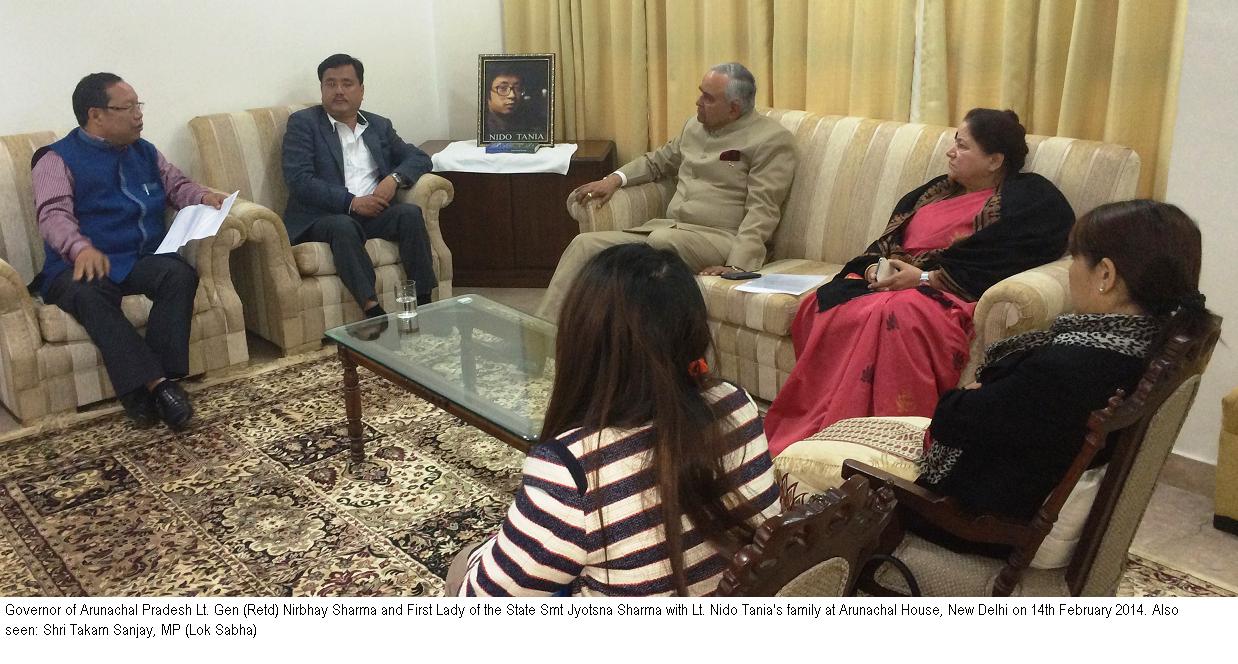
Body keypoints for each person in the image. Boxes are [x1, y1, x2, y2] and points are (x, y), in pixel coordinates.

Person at [448, 244, 781, 596]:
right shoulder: (738, 403)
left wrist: (475, 555)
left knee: (464, 568)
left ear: (581, 342)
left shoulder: (571, 470)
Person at [763, 108, 1075, 456]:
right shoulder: (935, 191)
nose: (950, 152)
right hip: (894, 279)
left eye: (962, 146)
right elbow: (885, 244)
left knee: (897, 313)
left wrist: (923, 278)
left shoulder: (1030, 200)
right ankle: (818, 426)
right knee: (822, 302)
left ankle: (885, 444)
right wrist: (872, 270)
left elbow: (999, 261)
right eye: (953, 143)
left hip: (947, 292)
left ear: (994, 160)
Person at [32, 73, 227, 430]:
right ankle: (160, 386)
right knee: (91, 295)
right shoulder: (55, 159)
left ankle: (153, 388)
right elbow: (52, 215)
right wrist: (80, 248)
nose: (138, 115)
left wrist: (202, 197)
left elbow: (177, 185)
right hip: (76, 267)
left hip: (137, 258)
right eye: (128, 107)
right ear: (97, 115)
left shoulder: (145, 151)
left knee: (179, 274)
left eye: (139, 105)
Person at [536, 62, 797, 322]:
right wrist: (614, 178)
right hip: (668, 229)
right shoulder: (693, 127)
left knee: (662, 244)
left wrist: (737, 266)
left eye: (707, 98)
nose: (698, 102)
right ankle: (545, 337)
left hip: (720, 238)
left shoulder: (771, 140)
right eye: (700, 92)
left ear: (734, 108)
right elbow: (657, 162)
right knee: (584, 245)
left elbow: (763, 208)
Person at [282, 53, 437, 319]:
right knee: (344, 225)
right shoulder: (304, 124)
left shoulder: (378, 125)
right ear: (322, 89)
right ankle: (372, 310)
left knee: (409, 215)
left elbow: (420, 158)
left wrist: (394, 179)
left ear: (361, 90)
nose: (338, 91)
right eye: (330, 84)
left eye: (347, 83)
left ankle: (424, 302)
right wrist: (351, 202)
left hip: (374, 212)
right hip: (324, 216)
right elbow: (299, 180)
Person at [481, 65, 545, 141]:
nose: (512, 95)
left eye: (518, 88)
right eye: (503, 88)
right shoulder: (481, 125)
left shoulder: (533, 122)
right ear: (487, 91)